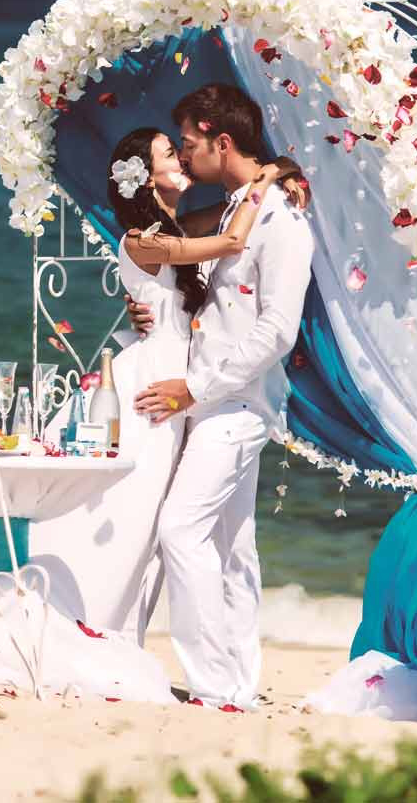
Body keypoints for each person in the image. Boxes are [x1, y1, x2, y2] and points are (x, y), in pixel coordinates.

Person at [30, 128, 306, 645]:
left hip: (190, 379)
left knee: (166, 520)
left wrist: (282, 171)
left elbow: (227, 221)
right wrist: (267, 175)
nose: (180, 156)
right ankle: (94, 630)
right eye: (166, 152)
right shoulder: (144, 240)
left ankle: (121, 634)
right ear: (145, 177)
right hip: (161, 382)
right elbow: (231, 240)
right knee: (136, 514)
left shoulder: (179, 227)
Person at [131, 83, 316, 711]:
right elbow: (213, 291)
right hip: (212, 402)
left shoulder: (282, 220)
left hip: (235, 405)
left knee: (180, 530)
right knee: (233, 548)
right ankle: (237, 682)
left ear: (223, 141)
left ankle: (213, 684)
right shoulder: (243, 206)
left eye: (188, 145)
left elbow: (277, 329)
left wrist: (194, 388)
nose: (183, 158)